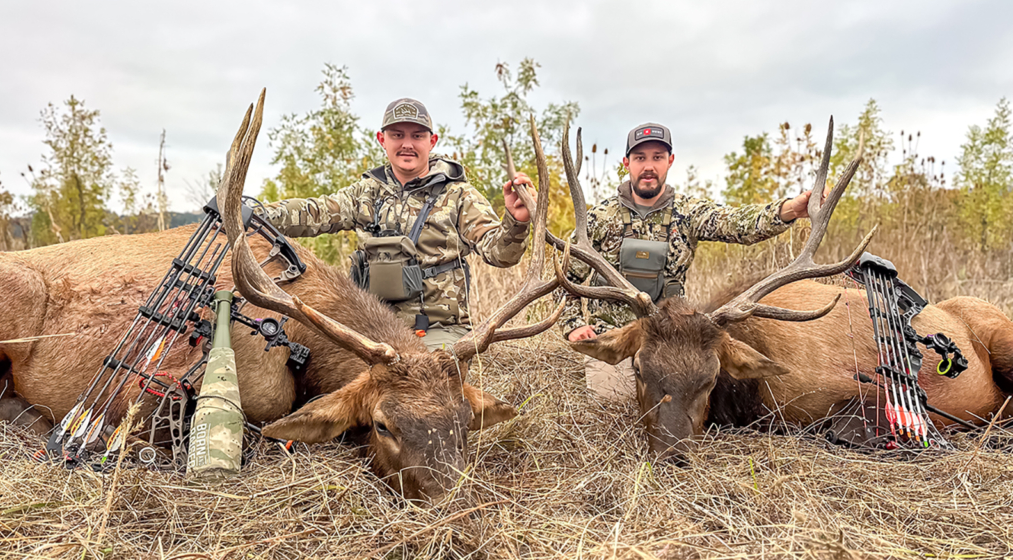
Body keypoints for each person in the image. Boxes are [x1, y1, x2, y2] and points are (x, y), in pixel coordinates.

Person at [559, 122, 817, 399]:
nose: (649, 166)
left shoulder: (689, 213)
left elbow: (737, 224)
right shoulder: (598, 218)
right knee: (616, 407)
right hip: (615, 338)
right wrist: (573, 325)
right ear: (627, 163)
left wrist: (788, 210)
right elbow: (566, 279)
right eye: (640, 158)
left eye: (657, 158)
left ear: (670, 161)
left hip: (673, 343)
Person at [264, 98, 536, 348]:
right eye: (397, 135)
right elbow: (314, 212)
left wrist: (516, 221)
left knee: (419, 381)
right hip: (369, 329)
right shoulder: (365, 193)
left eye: (417, 136)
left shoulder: (459, 196)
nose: (407, 144)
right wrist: (257, 212)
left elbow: (501, 255)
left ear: (432, 141)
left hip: (436, 332)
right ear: (382, 139)